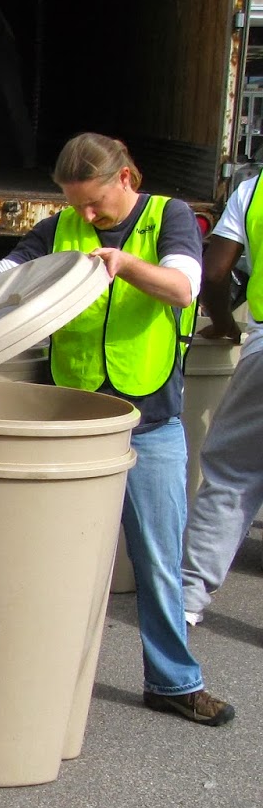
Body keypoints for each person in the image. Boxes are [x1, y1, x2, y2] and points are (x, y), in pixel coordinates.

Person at [0, 133, 232, 727]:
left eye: (94, 202)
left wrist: (125, 265)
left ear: (125, 178)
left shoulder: (169, 217)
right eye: (76, 204)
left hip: (149, 417)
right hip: (70, 421)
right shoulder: (58, 229)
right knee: (49, 559)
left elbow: (184, 289)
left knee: (158, 559)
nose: (86, 214)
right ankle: (31, 680)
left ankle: (173, 681)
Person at [180, 173, 263, 631]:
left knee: (233, 474)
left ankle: (188, 599)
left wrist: (226, 323)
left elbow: (214, 272)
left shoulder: (253, 190)